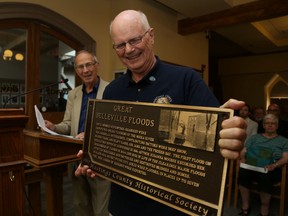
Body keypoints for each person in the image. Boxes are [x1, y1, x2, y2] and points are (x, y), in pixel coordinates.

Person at [75, 10, 247, 216]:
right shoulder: (112, 90)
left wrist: (228, 135)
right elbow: (114, 146)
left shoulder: (186, 80)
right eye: (120, 45)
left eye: (135, 40)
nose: (128, 50)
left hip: (172, 210)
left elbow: (217, 138)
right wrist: (97, 160)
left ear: (151, 36)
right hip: (121, 208)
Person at [44, 50, 110, 216]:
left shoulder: (110, 90)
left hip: (100, 158)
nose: (85, 70)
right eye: (80, 66)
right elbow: (67, 124)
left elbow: (113, 127)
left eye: (89, 65)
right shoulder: (73, 94)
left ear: (97, 66)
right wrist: (53, 127)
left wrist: (89, 134)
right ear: (77, 70)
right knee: (80, 206)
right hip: (76, 157)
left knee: (101, 209)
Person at [238, 113, 288, 216]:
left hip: (271, 168)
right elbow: (244, 150)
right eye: (267, 123)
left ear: (277, 126)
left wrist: (274, 165)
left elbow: (286, 157)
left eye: (273, 123)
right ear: (264, 125)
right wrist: (242, 158)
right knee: (243, 172)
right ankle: (245, 207)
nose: (270, 125)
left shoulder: (284, 141)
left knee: (265, 176)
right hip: (252, 166)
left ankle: (264, 210)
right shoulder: (254, 138)